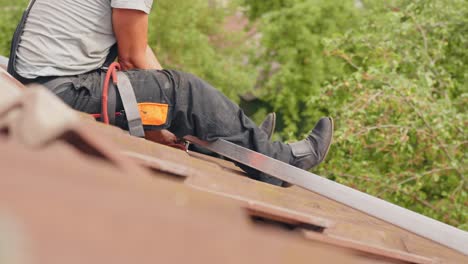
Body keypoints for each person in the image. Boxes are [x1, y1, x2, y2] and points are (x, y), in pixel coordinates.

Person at [8, 0, 333, 183]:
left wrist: (165, 105)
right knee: (184, 93)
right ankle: (281, 163)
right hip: (63, 91)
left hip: (44, 83)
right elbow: (133, 57)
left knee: (174, 95)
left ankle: (241, 140)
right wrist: (171, 102)